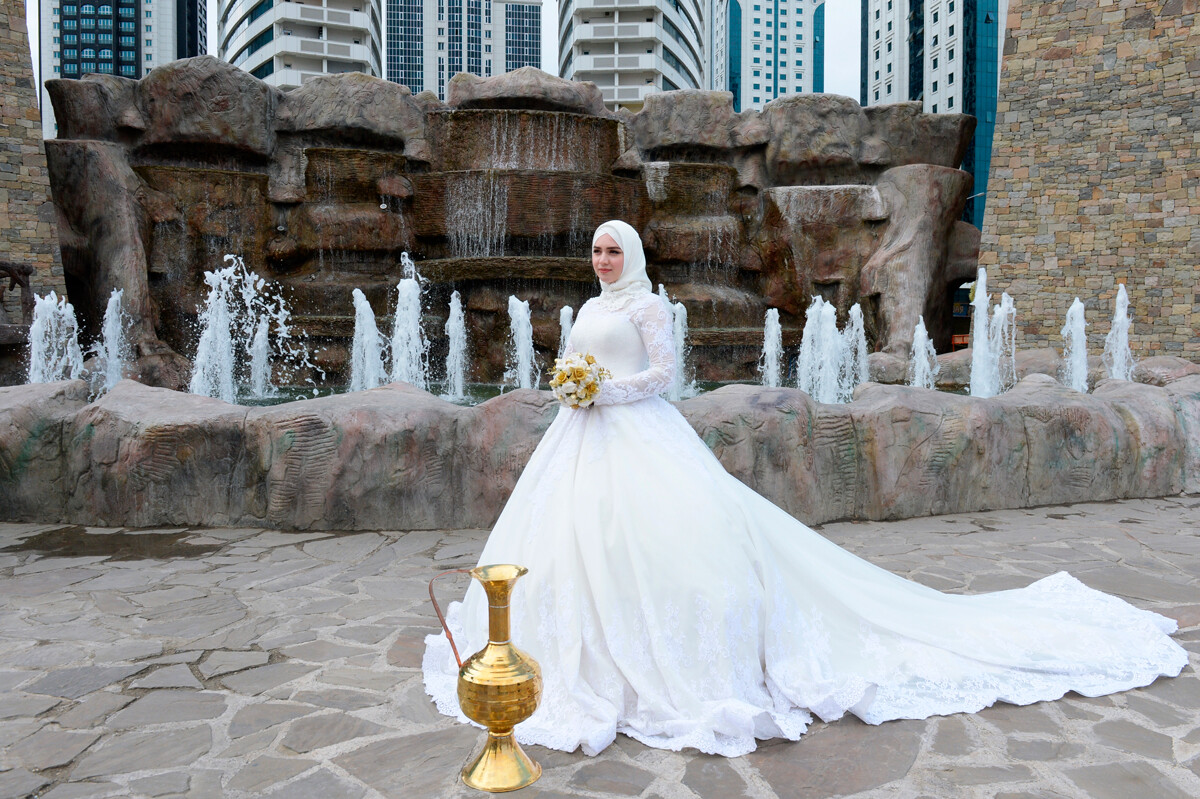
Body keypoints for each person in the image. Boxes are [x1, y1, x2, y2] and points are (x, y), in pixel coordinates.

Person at [423, 220, 1187, 757]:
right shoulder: (589, 308)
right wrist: (571, 385)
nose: (603, 259)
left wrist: (605, 391)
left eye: (613, 248)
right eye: (596, 249)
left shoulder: (651, 307)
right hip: (577, 444)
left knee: (676, 543)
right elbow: (575, 362)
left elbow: (662, 376)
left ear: (633, 253)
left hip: (639, 434)